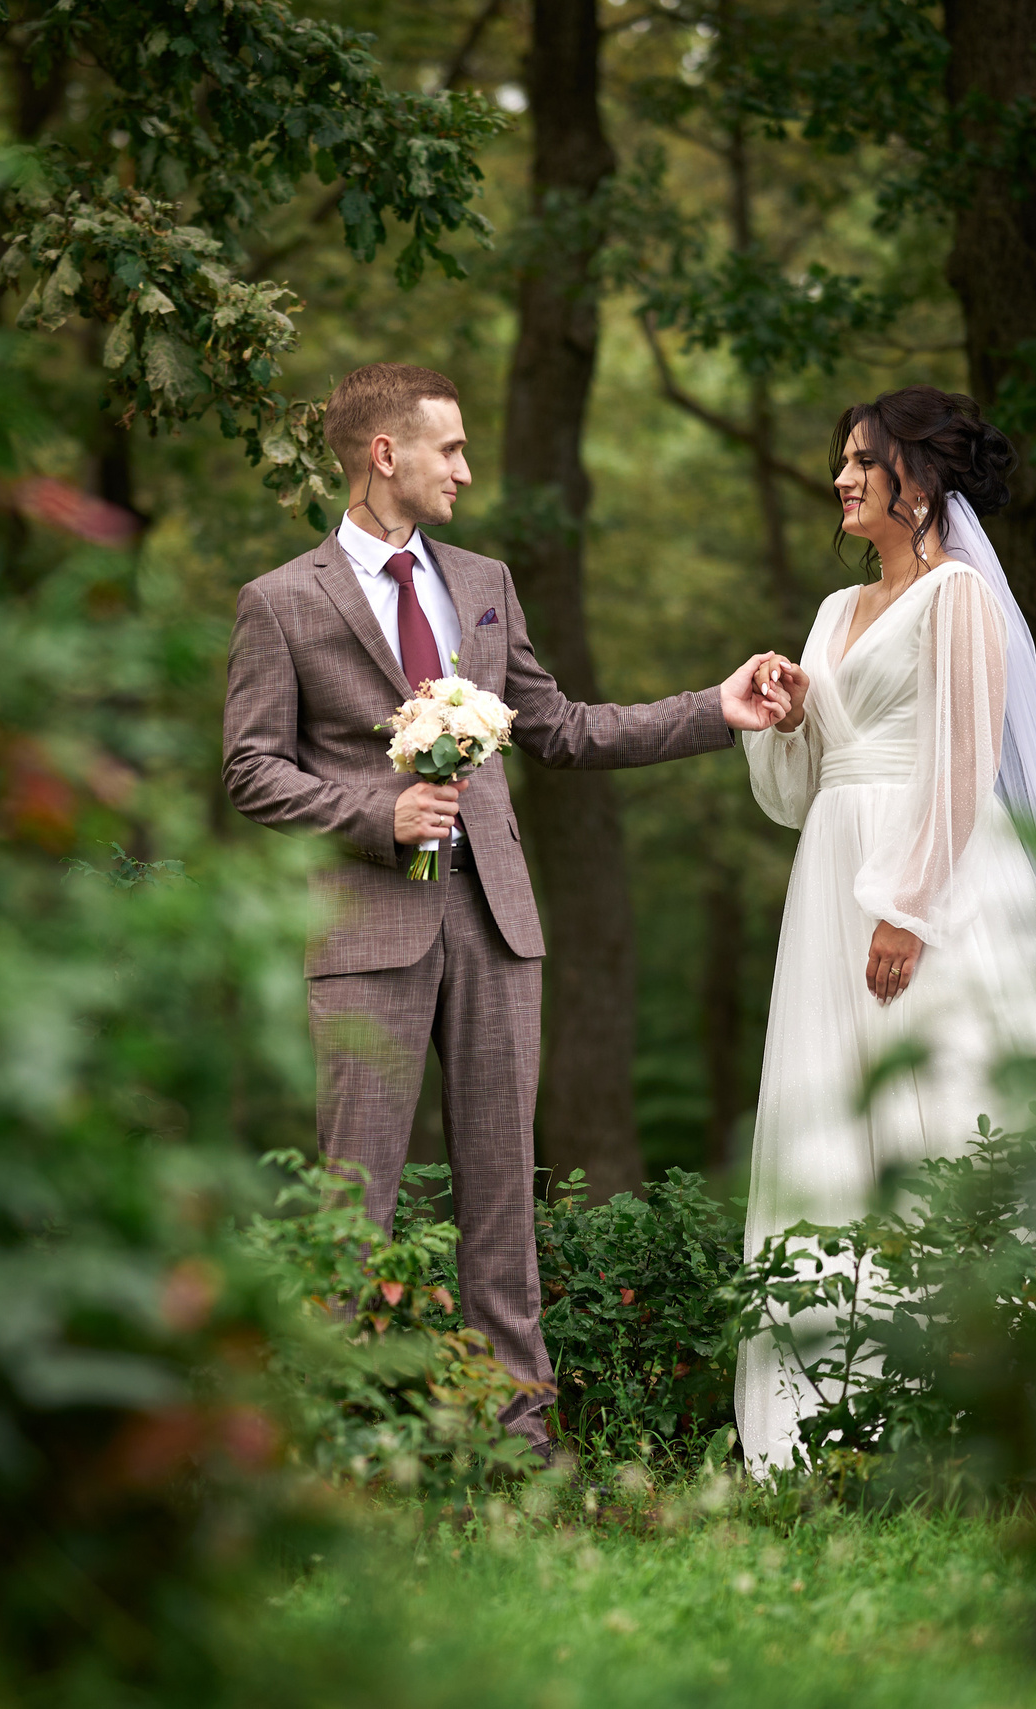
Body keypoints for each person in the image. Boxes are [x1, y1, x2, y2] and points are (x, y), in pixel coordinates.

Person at [222, 362, 791, 1457]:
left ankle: (520, 1440)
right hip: (366, 932)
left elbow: (559, 727)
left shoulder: (484, 581)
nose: (466, 471)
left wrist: (713, 711)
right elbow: (252, 771)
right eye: (450, 448)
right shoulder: (281, 600)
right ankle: (331, 1444)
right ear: (384, 452)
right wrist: (377, 812)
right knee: (355, 1196)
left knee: (502, 1199)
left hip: (496, 921)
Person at [736, 385, 1036, 1473]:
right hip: (831, 870)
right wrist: (785, 715)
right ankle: (837, 1411)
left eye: (862, 460)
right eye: (842, 460)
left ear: (919, 478)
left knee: (950, 1102)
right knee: (834, 1108)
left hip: (933, 880)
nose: (841, 477)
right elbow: (801, 787)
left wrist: (907, 907)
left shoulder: (960, 596)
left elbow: (964, 761)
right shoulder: (833, 612)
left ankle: (999, 1404)